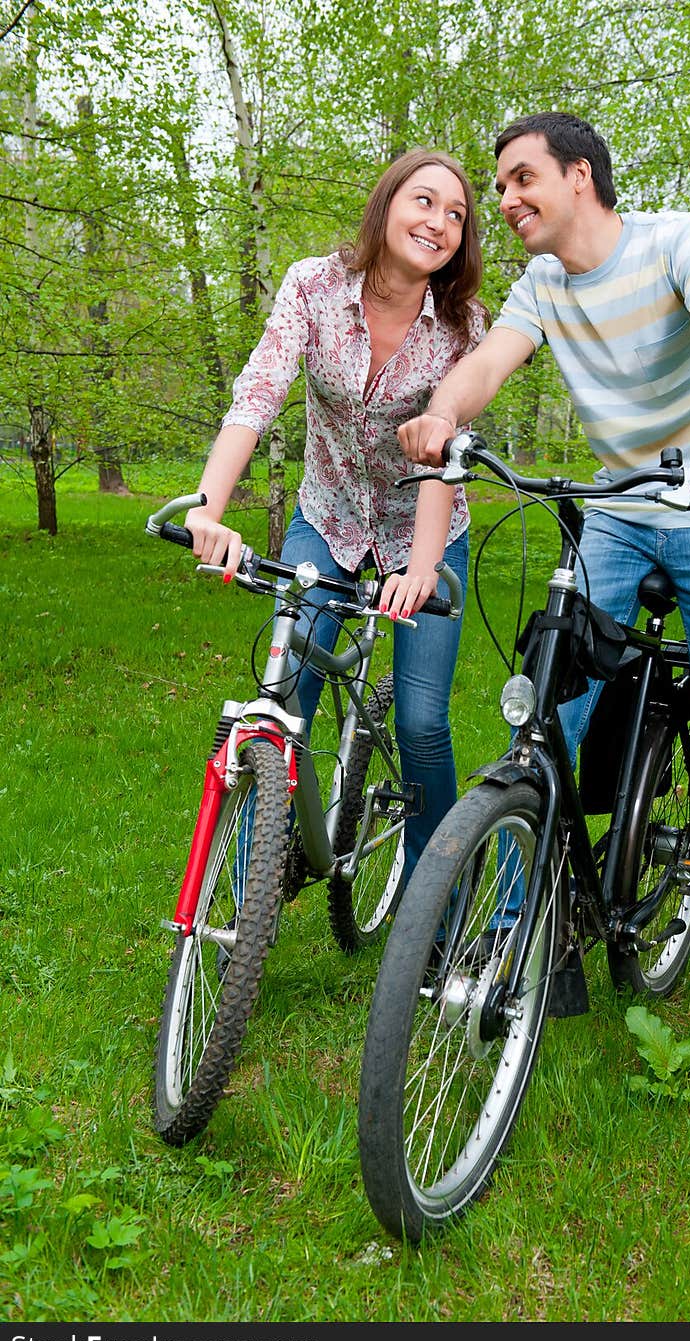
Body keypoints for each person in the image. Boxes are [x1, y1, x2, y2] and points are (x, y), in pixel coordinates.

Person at [398, 111, 690, 1101]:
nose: (500, 202)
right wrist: (441, 414)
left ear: (580, 177)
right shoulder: (541, 284)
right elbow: (489, 362)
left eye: (518, 179)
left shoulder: (682, 239)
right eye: (496, 186)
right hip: (620, 509)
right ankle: (526, 932)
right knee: (541, 711)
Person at [184, 148, 488, 881]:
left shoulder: (463, 325)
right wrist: (205, 510)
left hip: (426, 529)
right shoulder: (312, 287)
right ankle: (247, 903)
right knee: (285, 702)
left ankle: (433, 906)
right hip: (328, 516)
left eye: (456, 215)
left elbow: (443, 455)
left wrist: (420, 571)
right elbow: (257, 395)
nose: (438, 222)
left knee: (420, 724)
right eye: (424, 201)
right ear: (387, 205)